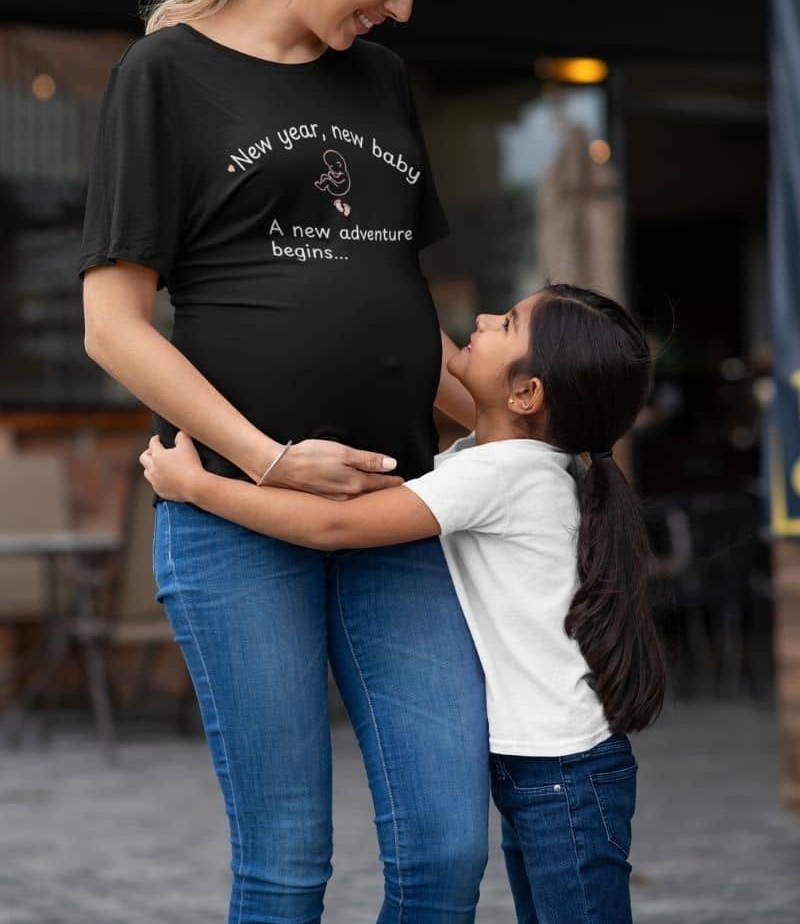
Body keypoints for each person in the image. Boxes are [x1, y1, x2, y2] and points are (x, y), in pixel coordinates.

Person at [80, 0, 488, 924]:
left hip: (397, 510)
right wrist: (267, 461)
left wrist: (515, 430)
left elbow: (398, 300)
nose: (399, 8)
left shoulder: (381, 85)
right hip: (231, 521)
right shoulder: (164, 75)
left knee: (449, 845)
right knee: (284, 862)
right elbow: (111, 327)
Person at [141, 283, 668, 924]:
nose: (479, 319)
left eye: (505, 323)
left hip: (561, 775)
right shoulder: (498, 463)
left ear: (527, 394)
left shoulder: (500, 475)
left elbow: (334, 528)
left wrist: (198, 487)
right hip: (554, 767)